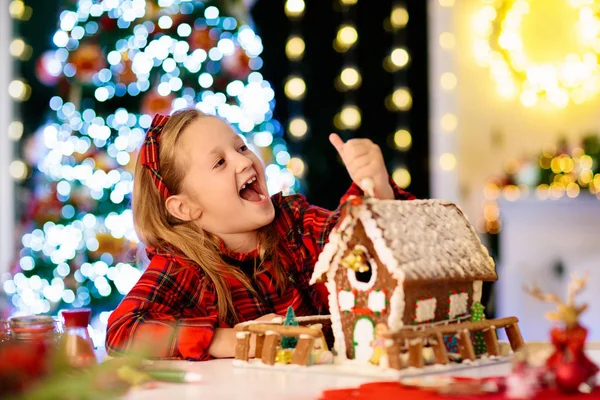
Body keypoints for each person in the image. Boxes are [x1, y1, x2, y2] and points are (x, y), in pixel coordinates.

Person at [105, 109, 414, 360]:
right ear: (184, 208)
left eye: (241, 147)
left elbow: (364, 248)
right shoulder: (183, 267)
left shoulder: (295, 224)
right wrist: (232, 339)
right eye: (220, 162)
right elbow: (123, 330)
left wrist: (378, 189)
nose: (244, 160)